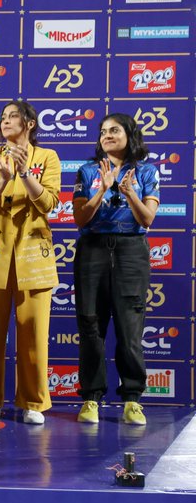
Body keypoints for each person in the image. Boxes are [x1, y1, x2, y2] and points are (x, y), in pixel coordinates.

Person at [0, 101, 60, 425]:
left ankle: (34, 402)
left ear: (30, 123)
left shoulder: (47, 157)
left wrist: (23, 175)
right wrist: (3, 177)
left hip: (33, 256)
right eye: (3, 117)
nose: (6, 121)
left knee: (34, 334)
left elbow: (49, 202)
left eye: (13, 116)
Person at [71, 113, 159, 426]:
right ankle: (91, 399)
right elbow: (80, 219)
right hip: (92, 249)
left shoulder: (146, 171)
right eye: (104, 131)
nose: (107, 135)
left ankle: (132, 400)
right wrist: (102, 190)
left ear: (129, 134)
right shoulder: (87, 170)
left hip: (131, 252)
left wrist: (128, 192)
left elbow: (147, 219)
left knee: (129, 328)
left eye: (115, 130)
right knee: (91, 326)